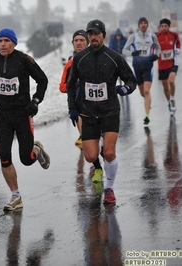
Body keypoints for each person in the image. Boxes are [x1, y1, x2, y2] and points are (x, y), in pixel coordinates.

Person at [0, 28, 50, 212]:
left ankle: (36, 150)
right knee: (4, 157)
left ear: (14, 43)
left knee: (26, 159)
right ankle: (16, 196)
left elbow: (42, 80)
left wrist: (35, 101)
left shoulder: (24, 60)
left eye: (6, 40)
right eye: (0, 41)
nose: (3, 44)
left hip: (23, 114)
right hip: (3, 116)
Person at [67, 19, 137, 204]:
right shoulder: (80, 58)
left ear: (103, 35)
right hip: (88, 113)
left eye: (96, 33)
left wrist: (125, 89)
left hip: (109, 112)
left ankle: (109, 189)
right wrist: (72, 108)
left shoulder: (114, 57)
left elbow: (131, 80)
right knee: (90, 156)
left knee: (109, 153)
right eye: (90, 34)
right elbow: (70, 84)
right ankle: (98, 152)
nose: (93, 37)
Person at [59, 29, 104, 183]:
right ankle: (97, 166)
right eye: (76, 41)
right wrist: (75, 85)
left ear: (88, 42)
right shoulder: (70, 63)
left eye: (81, 40)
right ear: (73, 44)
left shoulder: (97, 58)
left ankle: (102, 154)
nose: (78, 43)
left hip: (98, 104)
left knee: (101, 141)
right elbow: (63, 86)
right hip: (79, 105)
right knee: (87, 139)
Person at [122, 17, 160, 125]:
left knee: (147, 91)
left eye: (145, 23)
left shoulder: (152, 36)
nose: (143, 25)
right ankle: (146, 101)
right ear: (138, 25)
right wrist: (133, 53)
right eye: (141, 23)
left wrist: (156, 56)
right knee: (142, 92)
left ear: (147, 25)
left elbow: (158, 48)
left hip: (148, 66)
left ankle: (147, 115)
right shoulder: (133, 37)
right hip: (137, 66)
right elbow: (124, 50)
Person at [156, 18, 181, 116]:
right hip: (162, 65)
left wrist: (178, 49)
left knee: (171, 81)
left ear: (169, 26)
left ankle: (173, 99)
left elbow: (178, 42)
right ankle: (169, 102)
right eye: (162, 26)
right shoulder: (157, 36)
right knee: (165, 87)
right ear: (160, 27)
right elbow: (153, 47)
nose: (164, 28)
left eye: (166, 26)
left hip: (173, 63)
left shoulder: (174, 35)